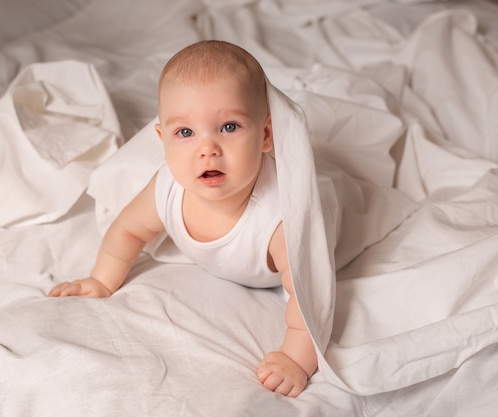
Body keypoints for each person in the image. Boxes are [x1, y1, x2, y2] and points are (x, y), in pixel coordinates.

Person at [48, 40, 318, 397]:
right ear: (162, 139)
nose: (208, 149)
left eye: (229, 127)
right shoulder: (167, 189)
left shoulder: (279, 218)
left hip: (320, 219)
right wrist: (101, 280)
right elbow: (128, 231)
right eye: (186, 133)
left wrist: (296, 359)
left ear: (266, 134)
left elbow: (309, 295)